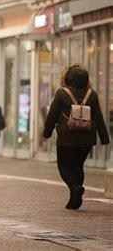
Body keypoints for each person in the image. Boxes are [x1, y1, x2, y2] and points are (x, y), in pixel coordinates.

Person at [43, 64, 109, 210]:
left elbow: (52, 114)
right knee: (78, 167)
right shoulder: (92, 94)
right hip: (87, 138)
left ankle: (74, 188)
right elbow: (98, 117)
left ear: (67, 77)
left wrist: (47, 132)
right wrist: (104, 138)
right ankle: (74, 199)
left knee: (64, 167)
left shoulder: (62, 93)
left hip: (67, 137)